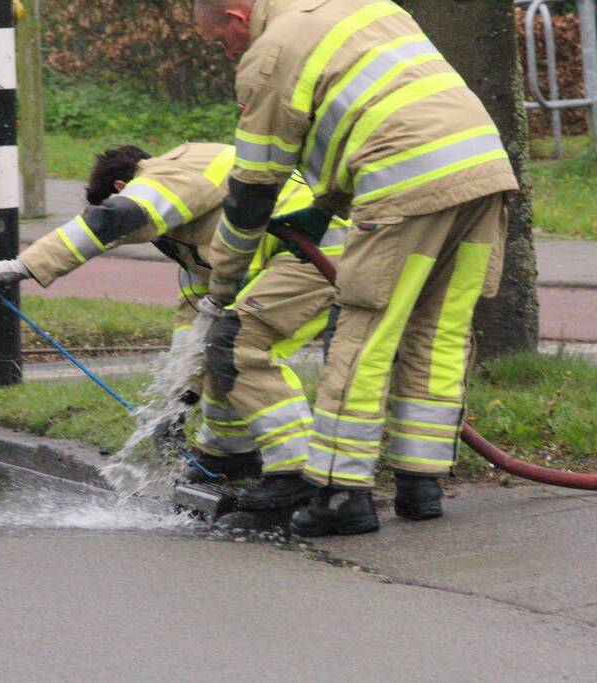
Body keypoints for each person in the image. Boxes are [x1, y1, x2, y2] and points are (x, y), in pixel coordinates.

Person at [194, 0, 519, 535]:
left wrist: (222, 282)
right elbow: (375, 108)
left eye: (218, 41)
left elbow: (251, 189)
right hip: (483, 171)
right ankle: (421, 484)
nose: (226, 53)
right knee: (436, 333)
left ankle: (342, 495)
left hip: (401, 182)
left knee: (363, 335)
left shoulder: (269, 54)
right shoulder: (363, 6)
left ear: (236, 16)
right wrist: (321, 209)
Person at [0, 142, 347, 485]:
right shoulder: (192, 230)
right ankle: (229, 455)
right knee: (218, 345)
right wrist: (176, 401)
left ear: (121, 185)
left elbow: (114, 218)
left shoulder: (164, 177)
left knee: (239, 346)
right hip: (299, 252)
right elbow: (192, 325)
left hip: (316, 252)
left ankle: (295, 473)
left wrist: (25, 265)